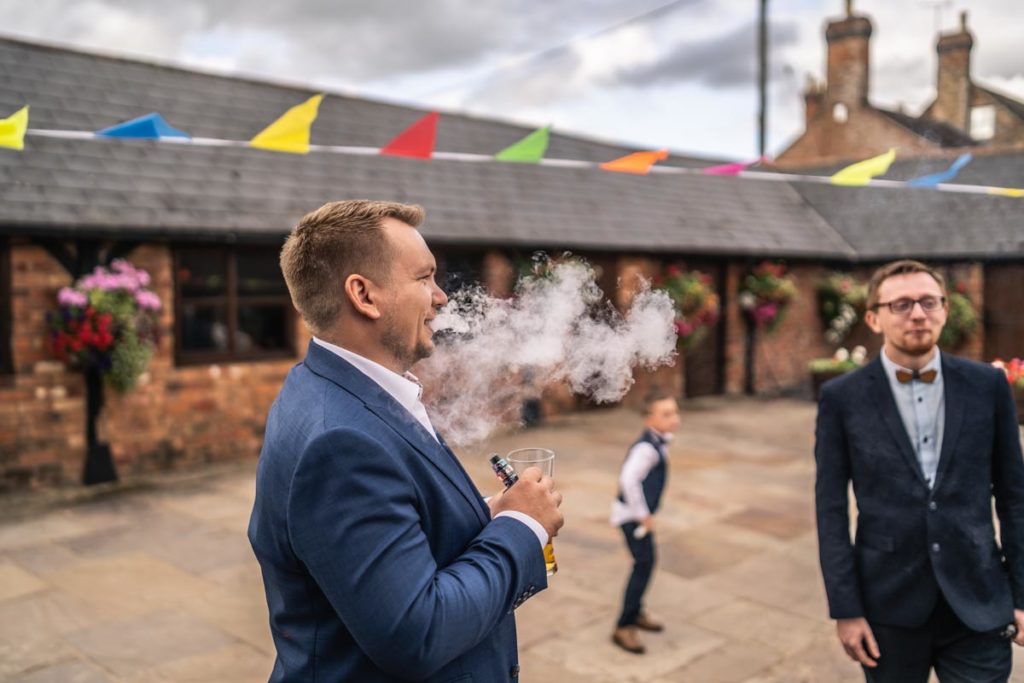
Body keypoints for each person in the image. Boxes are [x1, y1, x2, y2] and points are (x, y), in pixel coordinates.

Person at [248, 200, 564, 682]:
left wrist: (486, 513)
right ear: (364, 295)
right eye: (424, 278)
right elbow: (418, 633)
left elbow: (394, 525)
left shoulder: (334, 387)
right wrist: (522, 527)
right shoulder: (340, 445)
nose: (441, 298)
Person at [815, 259, 1024, 682]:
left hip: (979, 600)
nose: (917, 313)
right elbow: (831, 510)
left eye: (929, 301)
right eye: (902, 304)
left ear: (945, 309)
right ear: (874, 318)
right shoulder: (842, 398)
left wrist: (1022, 592)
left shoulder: (988, 385)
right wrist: (846, 608)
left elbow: (1015, 496)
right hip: (887, 608)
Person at [610, 387, 680, 654]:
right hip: (631, 517)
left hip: (636, 515)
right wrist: (644, 516)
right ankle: (623, 625)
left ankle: (636, 611)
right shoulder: (646, 449)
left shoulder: (659, 441)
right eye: (666, 414)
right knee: (644, 564)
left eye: (675, 412)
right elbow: (628, 481)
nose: (674, 418)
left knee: (646, 563)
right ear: (649, 419)